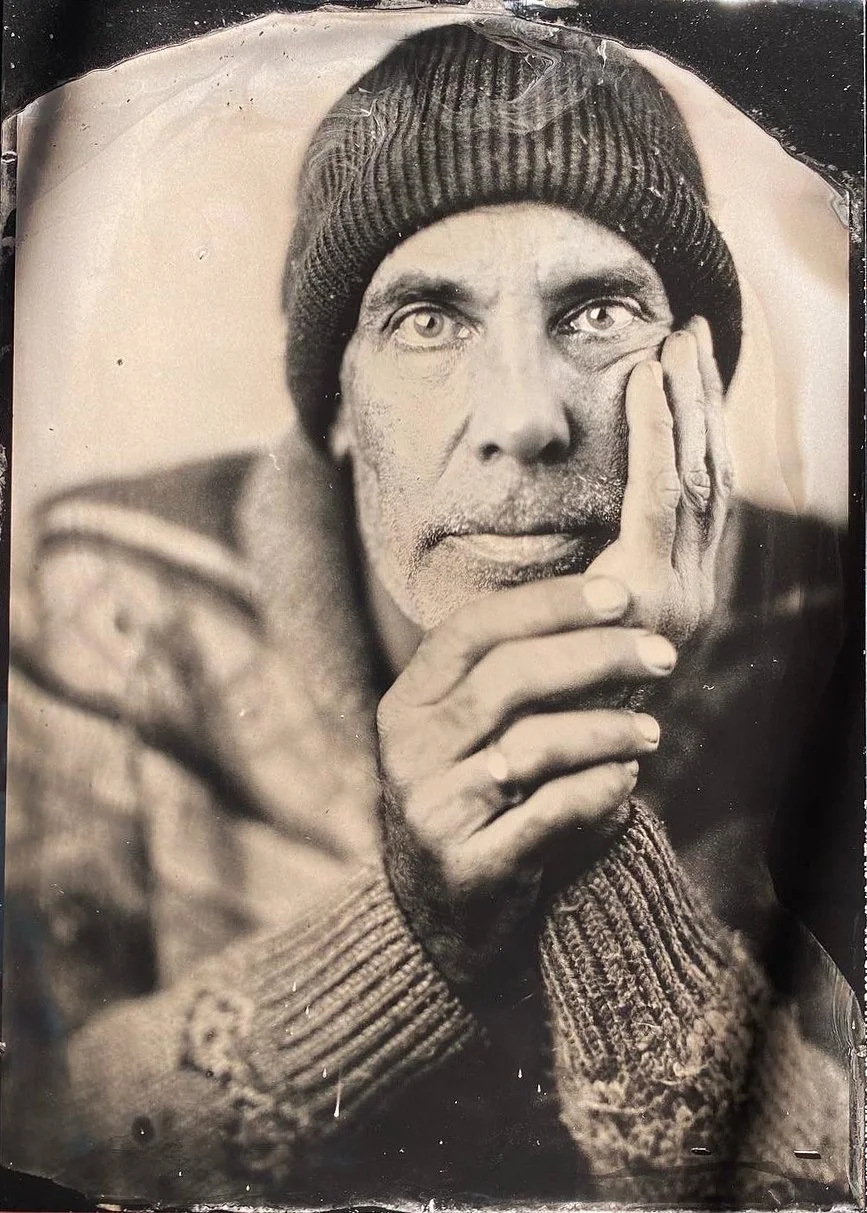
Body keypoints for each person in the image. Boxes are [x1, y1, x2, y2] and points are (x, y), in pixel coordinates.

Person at [1, 18, 860, 1209]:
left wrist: (581, 796)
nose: (524, 416)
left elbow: (828, 1178)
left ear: (697, 374)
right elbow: (44, 1129)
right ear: (340, 404)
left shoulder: (824, 606)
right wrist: (408, 924)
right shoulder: (112, 591)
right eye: (428, 319)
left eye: (598, 313)